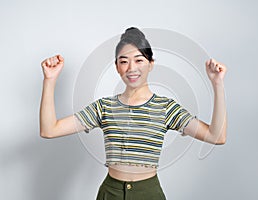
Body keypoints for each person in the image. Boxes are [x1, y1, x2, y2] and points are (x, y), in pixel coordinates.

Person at [40, 27, 227, 200]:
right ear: (116, 67)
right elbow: (49, 130)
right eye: (124, 61)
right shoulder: (104, 107)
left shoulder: (166, 108)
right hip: (110, 193)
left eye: (139, 60)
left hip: (149, 194)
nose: (131, 68)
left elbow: (216, 136)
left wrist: (217, 84)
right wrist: (49, 80)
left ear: (151, 64)